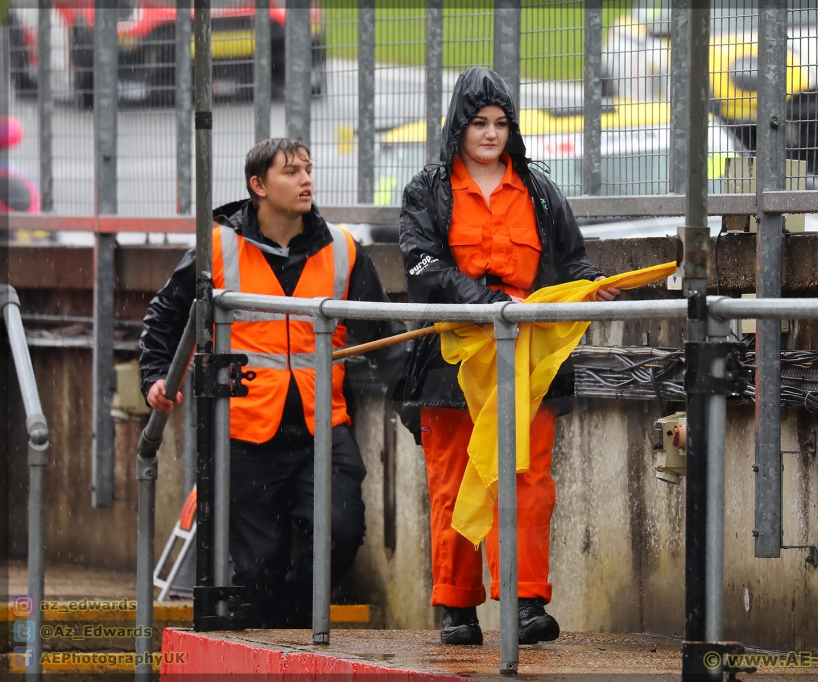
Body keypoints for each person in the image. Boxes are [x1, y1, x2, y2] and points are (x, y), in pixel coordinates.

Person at [140, 138, 408, 628]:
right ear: (257, 186)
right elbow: (164, 318)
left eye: (309, 168)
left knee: (341, 530)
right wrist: (158, 376)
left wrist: (421, 400)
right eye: (291, 172)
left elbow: (383, 338)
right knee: (255, 566)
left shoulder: (343, 250)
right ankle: (277, 637)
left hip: (321, 427)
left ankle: (293, 621)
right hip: (242, 433)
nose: (306, 179)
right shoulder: (217, 247)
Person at [396, 67, 620, 645]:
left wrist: (592, 284)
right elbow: (423, 268)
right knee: (454, 479)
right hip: (453, 361)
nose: (490, 134)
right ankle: (456, 609)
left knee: (525, 480)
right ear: (458, 128)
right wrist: (489, 302)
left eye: (500, 123)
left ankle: (525, 603)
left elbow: (572, 261)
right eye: (478, 123)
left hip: (528, 361)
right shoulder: (429, 190)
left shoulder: (540, 191)